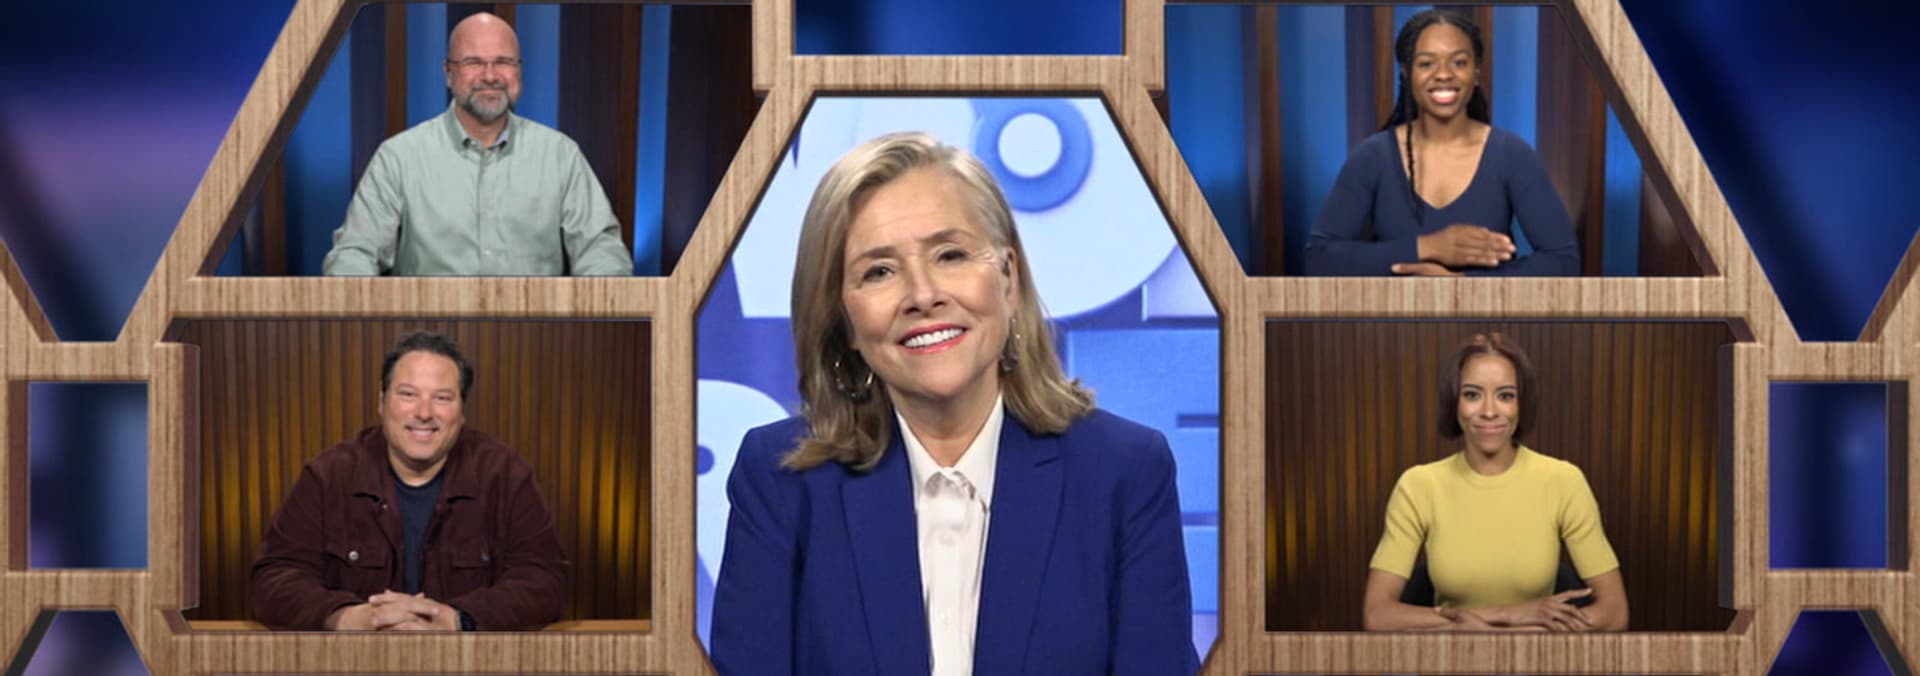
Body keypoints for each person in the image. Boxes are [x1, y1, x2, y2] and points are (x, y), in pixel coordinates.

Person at [710, 132, 1199, 675]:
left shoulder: (1124, 472)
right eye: (879, 271)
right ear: (842, 320)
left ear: (1008, 280)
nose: (923, 295)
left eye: (950, 255)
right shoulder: (780, 480)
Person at [251, 331, 569, 631]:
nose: (424, 413)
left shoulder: (506, 475)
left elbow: (546, 580)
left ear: (462, 412)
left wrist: (459, 620)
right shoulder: (328, 475)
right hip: (356, 662)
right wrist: (348, 618)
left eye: (442, 398)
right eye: (408, 395)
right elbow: (274, 578)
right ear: (381, 401)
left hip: (467, 663)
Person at [321, 12, 633, 276]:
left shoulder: (560, 155)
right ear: (448, 73)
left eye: (503, 62)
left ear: (519, 70)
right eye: (474, 62)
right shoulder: (398, 157)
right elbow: (354, 253)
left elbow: (601, 251)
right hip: (429, 328)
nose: (490, 75)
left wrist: (600, 301)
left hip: (536, 328)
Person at [1362, 333, 1628, 631]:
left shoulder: (1563, 480)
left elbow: (1615, 612)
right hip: (1448, 654)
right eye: (1472, 395)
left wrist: (1518, 635)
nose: (1489, 411)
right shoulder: (1419, 485)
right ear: (1454, 403)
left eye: (1505, 396)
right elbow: (1377, 615)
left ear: (1521, 404)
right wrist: (1509, 614)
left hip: (1536, 654)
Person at [1304, 9, 1580, 276]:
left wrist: (1461, 285)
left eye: (1459, 62)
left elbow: (1563, 261)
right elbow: (1320, 258)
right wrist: (1429, 247)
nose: (1444, 74)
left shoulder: (1511, 154)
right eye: (1426, 63)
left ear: (1476, 73)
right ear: (1406, 72)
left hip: (1482, 311)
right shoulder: (1373, 156)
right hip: (1394, 311)